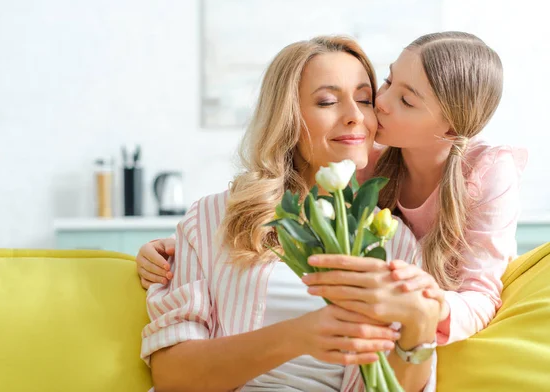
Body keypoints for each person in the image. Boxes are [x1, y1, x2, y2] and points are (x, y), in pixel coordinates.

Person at [139, 31, 527, 347]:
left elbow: (481, 293)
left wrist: (424, 307)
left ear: (450, 130)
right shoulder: (366, 158)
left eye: (406, 100)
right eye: (388, 81)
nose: (378, 105)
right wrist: (181, 248)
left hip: (428, 318)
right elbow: (284, 200)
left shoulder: (488, 173)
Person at [141, 35, 441, 392]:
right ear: (288, 118)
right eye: (328, 101)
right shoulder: (212, 219)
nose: (355, 116)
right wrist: (299, 335)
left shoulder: (393, 239)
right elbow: (173, 376)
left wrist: (420, 326)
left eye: (364, 99)